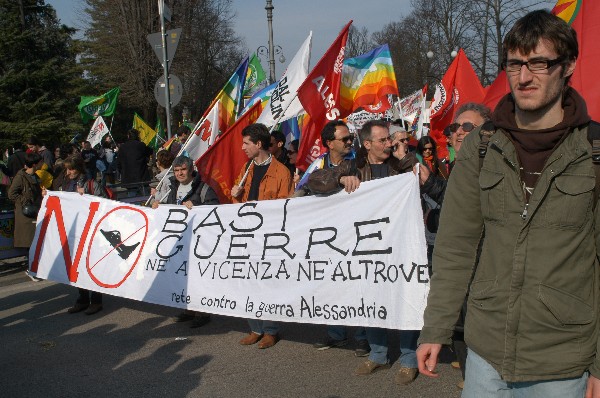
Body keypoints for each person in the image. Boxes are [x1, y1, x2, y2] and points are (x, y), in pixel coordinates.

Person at [417, 10, 600, 397]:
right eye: (515, 64)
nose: (524, 76)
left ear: (566, 67)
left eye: (539, 63)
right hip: (485, 353)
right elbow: (455, 247)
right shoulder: (482, 146)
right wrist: (435, 327)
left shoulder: (593, 151)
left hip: (563, 360)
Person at [307, 120, 420, 385]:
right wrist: (339, 177)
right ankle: (378, 354)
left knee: (406, 300)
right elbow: (315, 181)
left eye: (389, 139)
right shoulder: (354, 165)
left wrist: (410, 162)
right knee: (371, 300)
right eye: (382, 140)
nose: (388, 144)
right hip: (367, 247)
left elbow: (426, 181)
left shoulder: (400, 164)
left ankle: (409, 358)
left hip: (401, 243)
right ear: (367, 144)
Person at [231, 123, 292, 349]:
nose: (242, 147)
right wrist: (235, 196)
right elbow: (238, 206)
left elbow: (284, 205)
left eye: (246, 143)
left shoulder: (281, 172)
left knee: (266, 283)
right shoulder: (246, 169)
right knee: (248, 282)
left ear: (258, 144)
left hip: (268, 236)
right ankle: (255, 327)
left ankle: (270, 329)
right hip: (247, 235)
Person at [152, 155, 219, 327]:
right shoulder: (172, 188)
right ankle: (188, 308)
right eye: (176, 170)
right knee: (182, 276)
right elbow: (167, 208)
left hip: (198, 242)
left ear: (191, 170)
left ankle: (202, 313)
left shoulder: (203, 188)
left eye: (183, 170)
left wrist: (197, 208)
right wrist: (158, 205)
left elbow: (215, 209)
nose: (180, 173)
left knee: (197, 278)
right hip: (179, 240)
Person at [46, 156, 106, 314]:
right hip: (73, 230)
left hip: (89, 230)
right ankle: (83, 298)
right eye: (67, 169)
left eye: (71, 169)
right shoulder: (65, 182)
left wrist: (85, 194)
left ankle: (96, 300)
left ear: (79, 168)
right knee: (77, 266)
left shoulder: (91, 183)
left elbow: (104, 204)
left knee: (90, 265)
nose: (68, 172)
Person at [294, 120, 356, 196]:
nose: (349, 142)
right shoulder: (317, 165)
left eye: (351, 137)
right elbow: (305, 188)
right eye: (345, 139)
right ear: (330, 144)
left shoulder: (359, 160)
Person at [8, 153, 43, 251]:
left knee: (35, 242)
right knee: (29, 242)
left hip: (34, 211)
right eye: (41, 162)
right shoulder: (21, 177)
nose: (42, 164)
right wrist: (25, 201)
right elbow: (11, 194)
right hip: (26, 214)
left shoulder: (35, 176)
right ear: (35, 164)